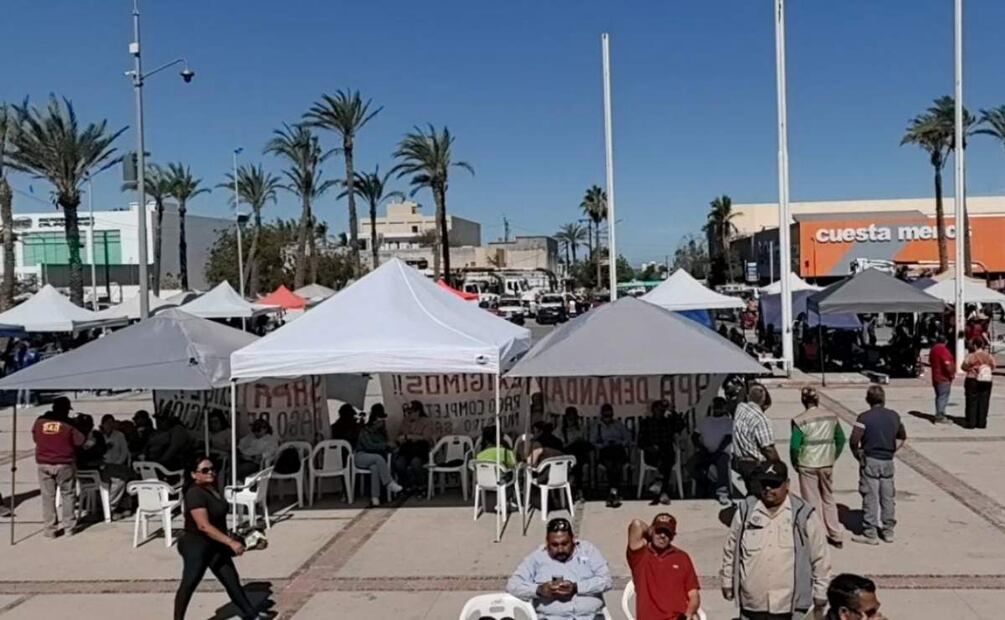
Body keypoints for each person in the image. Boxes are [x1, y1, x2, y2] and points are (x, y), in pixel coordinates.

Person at [720, 461, 831, 620]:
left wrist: (821, 592)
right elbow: (731, 550)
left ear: (787, 484)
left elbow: (820, 556)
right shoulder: (745, 512)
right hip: (752, 603)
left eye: (774, 485)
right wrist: (727, 581)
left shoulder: (803, 514)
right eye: (764, 484)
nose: (768, 489)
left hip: (789, 606)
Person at [174, 456, 262, 620]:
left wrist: (233, 536)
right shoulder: (194, 493)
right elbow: (203, 526)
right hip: (196, 545)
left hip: (215, 543)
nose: (210, 472)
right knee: (189, 583)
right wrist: (230, 542)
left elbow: (217, 519)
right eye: (205, 470)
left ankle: (251, 615)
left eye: (212, 469)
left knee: (231, 580)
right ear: (194, 474)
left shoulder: (211, 488)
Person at [507, 517, 612, 619]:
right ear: (547, 541)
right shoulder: (537, 558)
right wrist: (539, 590)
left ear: (573, 539)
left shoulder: (588, 551)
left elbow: (606, 580)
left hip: (591, 616)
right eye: (554, 545)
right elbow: (512, 585)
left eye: (565, 544)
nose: (560, 549)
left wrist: (576, 588)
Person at [849, 386, 906, 546]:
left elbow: (854, 440)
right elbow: (902, 437)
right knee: (888, 497)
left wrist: (858, 455)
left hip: (870, 459)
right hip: (887, 461)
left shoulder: (864, 418)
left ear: (868, 400)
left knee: (870, 496)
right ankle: (888, 531)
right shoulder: (894, 416)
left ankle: (870, 533)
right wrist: (892, 450)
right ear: (883, 399)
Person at [790, 387, 846, 548]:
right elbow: (841, 439)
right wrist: (832, 457)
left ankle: (817, 535)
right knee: (828, 499)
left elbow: (794, 446)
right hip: (826, 463)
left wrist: (795, 463)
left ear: (803, 401)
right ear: (818, 400)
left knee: (811, 501)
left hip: (807, 464)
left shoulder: (800, 420)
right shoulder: (831, 416)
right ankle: (836, 534)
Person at [627, 513, 701, 620]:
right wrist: (650, 532)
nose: (662, 535)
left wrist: (689, 614)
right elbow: (636, 524)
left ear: (672, 536)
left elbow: (694, 594)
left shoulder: (682, 557)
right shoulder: (640, 556)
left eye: (667, 533)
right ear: (652, 531)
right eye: (659, 531)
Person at [33, 396, 86, 538]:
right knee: (68, 494)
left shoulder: (40, 422)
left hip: (44, 463)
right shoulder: (68, 424)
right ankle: (69, 527)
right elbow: (80, 441)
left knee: (47, 497)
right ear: (65, 410)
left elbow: (35, 438)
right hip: (64, 463)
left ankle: (50, 529)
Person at [732, 384, 780, 497]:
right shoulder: (761, 419)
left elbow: (740, 397)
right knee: (760, 497)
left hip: (741, 462)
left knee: (751, 493)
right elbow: (768, 448)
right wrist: (778, 464)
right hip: (756, 465)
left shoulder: (740, 408)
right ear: (763, 400)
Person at [638, 400, 687, 505]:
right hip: (652, 454)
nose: (660, 411)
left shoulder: (669, 422)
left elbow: (681, 426)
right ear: (653, 410)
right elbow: (640, 442)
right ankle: (663, 491)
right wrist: (650, 447)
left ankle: (659, 484)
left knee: (666, 457)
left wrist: (673, 412)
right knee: (665, 461)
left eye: (662, 408)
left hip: (666, 452)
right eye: (658, 408)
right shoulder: (646, 423)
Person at [354, 406, 403, 507]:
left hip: (376, 459)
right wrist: (385, 445)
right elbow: (369, 446)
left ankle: (375, 497)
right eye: (380, 421)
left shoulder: (382, 433)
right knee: (378, 458)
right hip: (362, 455)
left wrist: (392, 447)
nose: (382, 423)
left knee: (375, 468)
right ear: (375, 420)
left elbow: (386, 445)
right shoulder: (365, 431)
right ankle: (389, 482)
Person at [693, 396, 733, 506]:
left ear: (724, 407)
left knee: (721, 463)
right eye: (716, 405)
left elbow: (728, 439)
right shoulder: (705, 421)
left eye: (720, 405)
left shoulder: (728, 421)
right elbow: (694, 436)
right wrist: (702, 448)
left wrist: (717, 452)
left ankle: (722, 492)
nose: (718, 407)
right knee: (695, 464)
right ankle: (702, 489)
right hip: (706, 451)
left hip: (722, 452)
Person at [593, 404, 632, 508]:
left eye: (610, 416)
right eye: (606, 416)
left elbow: (628, 438)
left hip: (618, 449)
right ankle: (614, 491)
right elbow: (592, 442)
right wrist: (603, 444)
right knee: (610, 466)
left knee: (618, 465)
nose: (608, 418)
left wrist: (620, 443)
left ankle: (613, 492)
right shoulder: (598, 426)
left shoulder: (618, 424)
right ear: (602, 415)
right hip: (605, 450)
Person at [393, 401, 435, 490]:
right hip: (407, 450)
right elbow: (398, 436)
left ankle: (421, 485)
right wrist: (400, 439)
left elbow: (426, 437)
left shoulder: (426, 422)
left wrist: (410, 436)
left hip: (420, 450)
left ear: (418, 412)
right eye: (407, 412)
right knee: (399, 464)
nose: (408, 415)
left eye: (410, 412)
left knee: (415, 463)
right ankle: (406, 485)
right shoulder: (405, 421)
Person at [100, 414, 135, 516]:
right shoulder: (99, 436)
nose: (110, 425)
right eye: (107, 423)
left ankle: (110, 505)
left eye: (112, 423)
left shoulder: (119, 435)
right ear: (103, 424)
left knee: (120, 481)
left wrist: (118, 463)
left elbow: (124, 452)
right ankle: (107, 506)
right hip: (103, 465)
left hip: (116, 464)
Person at [961, 338, 996, 430]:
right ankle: (981, 422)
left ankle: (971, 422)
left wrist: (970, 369)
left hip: (972, 379)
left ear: (975, 346)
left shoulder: (971, 356)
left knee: (971, 401)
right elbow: (994, 365)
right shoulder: (988, 356)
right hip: (986, 380)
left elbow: (963, 366)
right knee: (984, 401)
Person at [561, 407, 594, 501]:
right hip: (567, 454)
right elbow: (561, 445)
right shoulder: (561, 430)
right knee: (577, 462)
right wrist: (572, 442)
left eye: (574, 419)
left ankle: (578, 489)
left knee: (578, 458)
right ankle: (579, 490)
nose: (572, 421)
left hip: (579, 454)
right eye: (570, 419)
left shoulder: (580, 429)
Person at [928, 333, 955, 424]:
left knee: (939, 396)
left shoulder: (933, 350)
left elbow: (930, 361)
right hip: (943, 377)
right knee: (943, 397)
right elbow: (947, 364)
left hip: (935, 376)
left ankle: (940, 412)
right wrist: (951, 374)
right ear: (945, 341)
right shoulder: (943, 350)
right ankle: (940, 415)